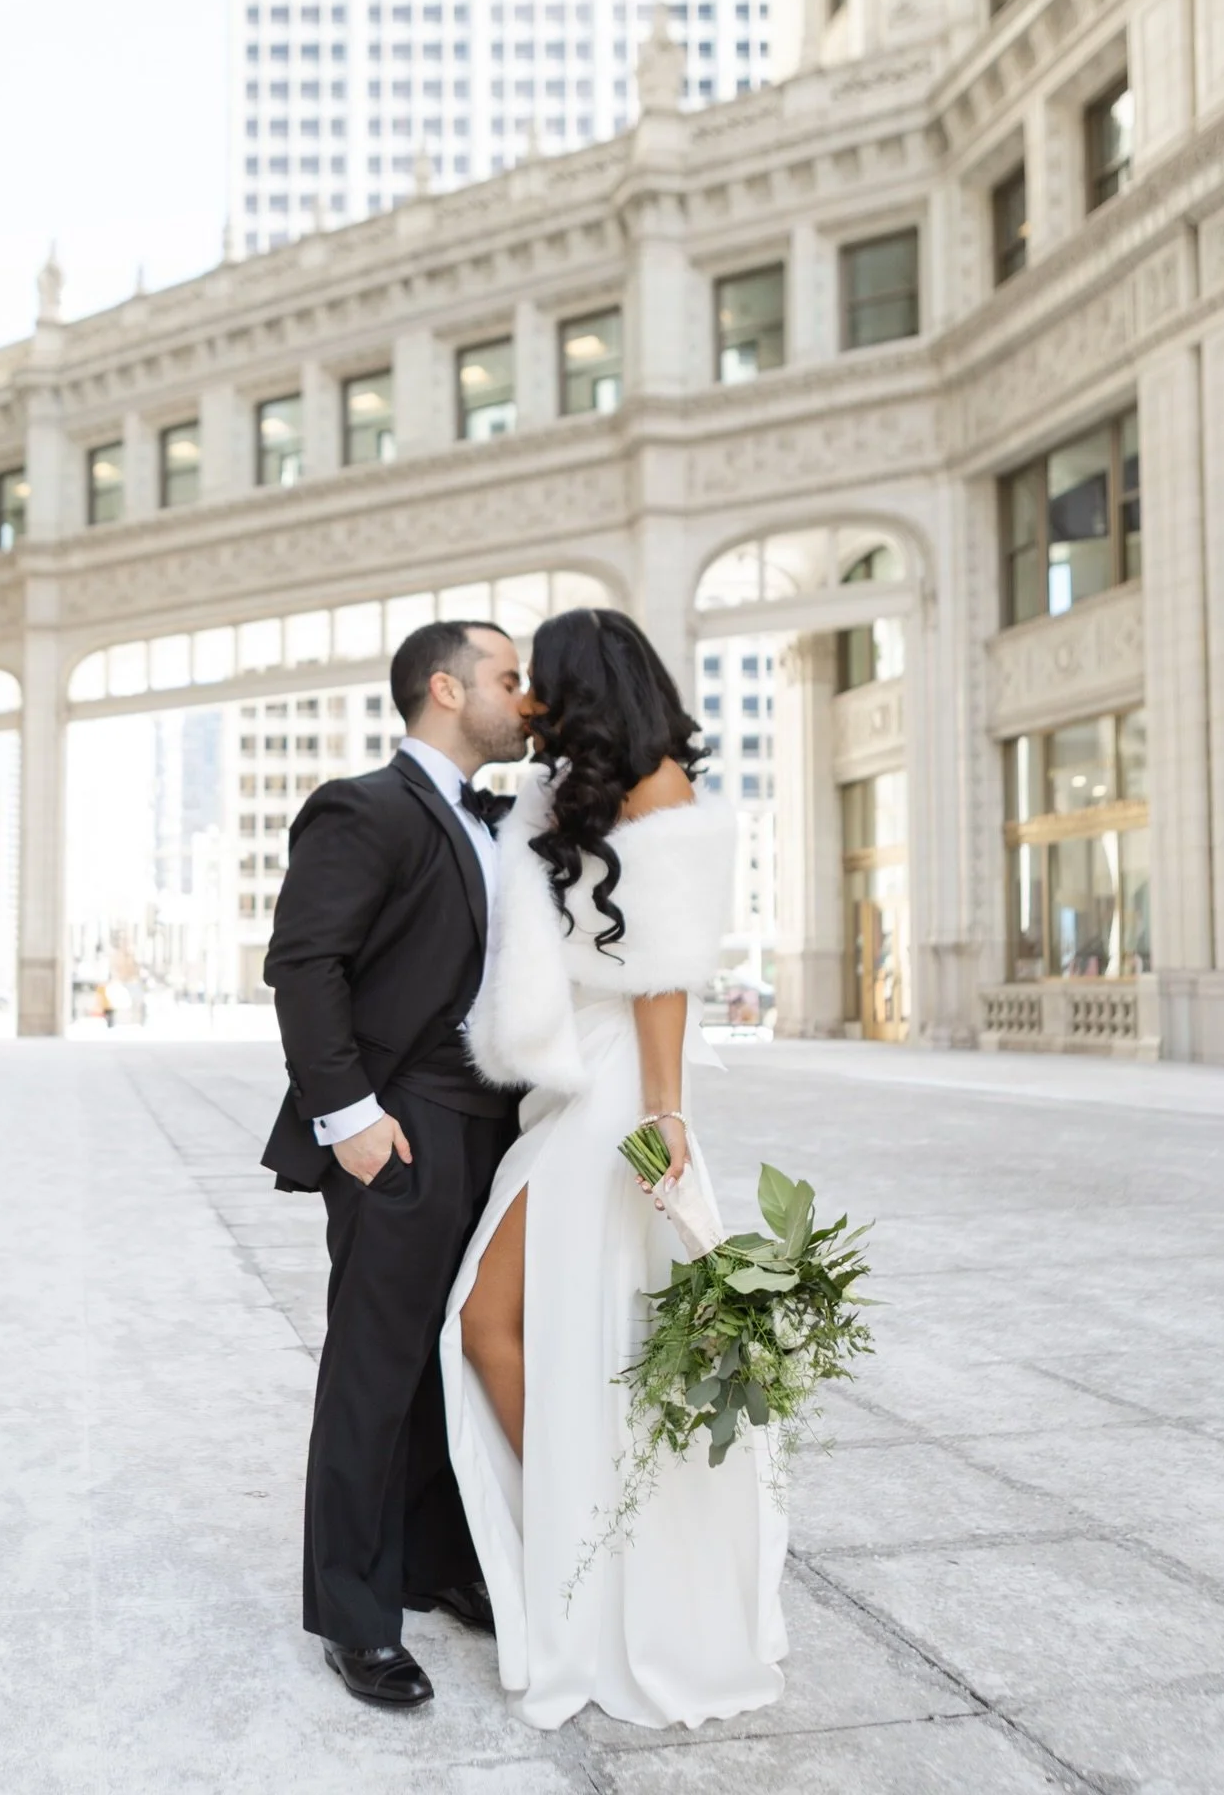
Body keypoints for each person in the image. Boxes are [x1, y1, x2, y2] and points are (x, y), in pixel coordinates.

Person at [441, 607, 789, 1730]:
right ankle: (590, 1549)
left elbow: (664, 977)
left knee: (490, 1324)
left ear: (587, 685)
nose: (530, 696)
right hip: (567, 1092)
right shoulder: (571, 794)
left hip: (618, 1101)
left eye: (542, 680)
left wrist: (669, 1114)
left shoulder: (661, 792)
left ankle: (592, 1555)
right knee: (564, 1333)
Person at [261, 619, 527, 1710]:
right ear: (445, 690)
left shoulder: (511, 822)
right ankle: (355, 1615)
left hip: (497, 1128)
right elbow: (303, 962)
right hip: (401, 1123)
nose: (528, 698)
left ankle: (433, 1561)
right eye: (510, 680)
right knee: (376, 1368)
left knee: (452, 1361)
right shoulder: (361, 808)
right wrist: (351, 1117)